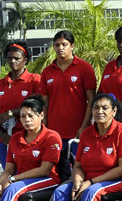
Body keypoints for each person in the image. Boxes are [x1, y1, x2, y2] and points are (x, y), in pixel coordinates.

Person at [40, 31, 96, 181]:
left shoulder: (84, 68)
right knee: (58, 173)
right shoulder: (47, 72)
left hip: (78, 132)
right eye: (57, 45)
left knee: (79, 171)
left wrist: (84, 127)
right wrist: (44, 127)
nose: (60, 48)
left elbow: (92, 100)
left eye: (64, 44)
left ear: (72, 46)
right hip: (54, 132)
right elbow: (44, 102)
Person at [0, 41, 42, 180]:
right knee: (8, 175)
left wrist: (12, 112)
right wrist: (1, 133)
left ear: (25, 60)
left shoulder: (34, 80)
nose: (13, 61)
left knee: (22, 176)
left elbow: (37, 105)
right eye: (10, 58)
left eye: (17, 58)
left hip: (26, 138)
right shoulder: (1, 84)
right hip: (3, 140)